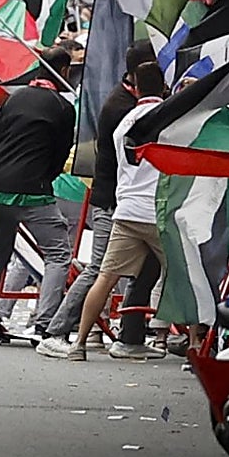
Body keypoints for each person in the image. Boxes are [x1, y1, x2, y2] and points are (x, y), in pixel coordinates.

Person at [36, 40, 159, 359]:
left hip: (123, 200)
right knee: (101, 269)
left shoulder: (127, 104)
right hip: (113, 200)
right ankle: (56, 329)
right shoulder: (123, 108)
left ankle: (128, 335)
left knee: (142, 269)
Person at [0, 46, 77, 345]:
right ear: (64, 71)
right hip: (33, 191)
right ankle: (44, 325)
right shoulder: (63, 107)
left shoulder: (13, 100)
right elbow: (60, 153)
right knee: (58, 254)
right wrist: (45, 178)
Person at [69, 62, 167, 361]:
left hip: (125, 211)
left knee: (105, 277)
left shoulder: (124, 122)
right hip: (157, 211)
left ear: (135, 88)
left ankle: (80, 342)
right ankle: (190, 345)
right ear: (163, 87)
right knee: (184, 277)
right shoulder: (169, 119)